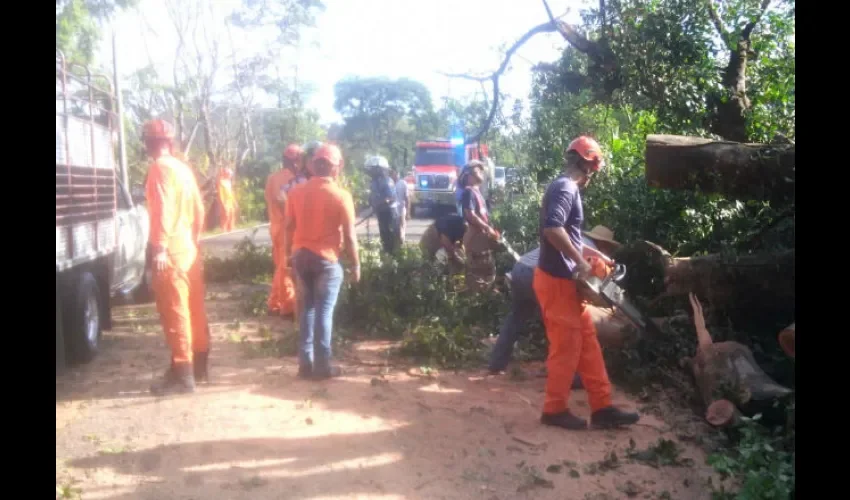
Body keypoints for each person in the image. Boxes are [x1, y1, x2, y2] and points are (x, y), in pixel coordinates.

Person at [535, 136, 639, 430]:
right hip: (555, 281)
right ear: (590, 163)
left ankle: (602, 407)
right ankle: (553, 410)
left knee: (588, 346)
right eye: (594, 166)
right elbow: (552, 229)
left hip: (566, 282)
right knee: (566, 348)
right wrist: (580, 263)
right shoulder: (565, 187)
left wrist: (590, 254)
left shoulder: (566, 188)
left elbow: (569, 235)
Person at [488, 226, 622, 380]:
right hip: (536, 273)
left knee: (517, 317)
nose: (609, 251)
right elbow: (588, 280)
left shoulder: (580, 241)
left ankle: (496, 363)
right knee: (566, 323)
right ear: (603, 244)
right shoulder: (590, 247)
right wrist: (614, 293)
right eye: (608, 248)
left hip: (520, 269)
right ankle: (571, 375)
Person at [143, 119, 211, 395]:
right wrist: (193, 240)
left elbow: (162, 210)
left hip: (170, 253)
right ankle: (200, 367)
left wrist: (159, 247)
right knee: (194, 310)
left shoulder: (159, 169)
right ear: (170, 142)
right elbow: (199, 210)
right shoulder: (183, 169)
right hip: (187, 251)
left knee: (175, 313)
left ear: (148, 143)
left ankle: (183, 375)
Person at [284, 143, 360, 379]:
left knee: (306, 311)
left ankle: (305, 365)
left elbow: (288, 228)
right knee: (324, 312)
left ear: (312, 165)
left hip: (300, 256)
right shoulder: (341, 196)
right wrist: (356, 265)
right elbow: (349, 236)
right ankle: (323, 366)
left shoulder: (296, 192)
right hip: (326, 261)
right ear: (337, 168)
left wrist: (289, 257)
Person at [265, 144, 303, 316]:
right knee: (285, 266)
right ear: (294, 161)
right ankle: (286, 307)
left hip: (277, 227)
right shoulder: (287, 179)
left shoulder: (274, 178)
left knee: (281, 266)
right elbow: (284, 205)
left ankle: (274, 303)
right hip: (285, 229)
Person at [460, 160, 500, 292]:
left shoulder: (477, 193)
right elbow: (470, 214)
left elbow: (483, 216)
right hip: (475, 239)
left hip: (482, 239)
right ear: (469, 176)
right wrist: (487, 228)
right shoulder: (469, 192)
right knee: (477, 273)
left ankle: (485, 297)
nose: (481, 173)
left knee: (488, 270)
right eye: (478, 171)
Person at [366, 155, 399, 254]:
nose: (371, 172)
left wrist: (380, 203)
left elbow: (391, 198)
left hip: (389, 212)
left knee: (390, 234)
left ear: (379, 169)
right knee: (383, 234)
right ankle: (386, 253)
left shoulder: (387, 181)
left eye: (373, 169)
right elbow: (373, 196)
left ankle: (393, 255)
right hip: (381, 211)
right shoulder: (374, 182)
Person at [390, 168, 410, 243]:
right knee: (394, 231)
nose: (395, 176)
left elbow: (407, 198)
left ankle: (402, 245)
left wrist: (408, 212)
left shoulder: (403, 183)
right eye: (393, 174)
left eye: (396, 174)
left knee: (401, 230)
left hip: (401, 210)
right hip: (391, 211)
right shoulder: (389, 184)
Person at [216, 166, 237, 231]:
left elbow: (231, 193)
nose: (230, 176)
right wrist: (223, 204)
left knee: (232, 214)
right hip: (225, 202)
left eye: (230, 174)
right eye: (229, 174)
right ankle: (224, 229)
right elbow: (220, 194)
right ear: (226, 174)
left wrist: (235, 202)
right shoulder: (221, 182)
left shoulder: (229, 182)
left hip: (230, 201)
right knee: (225, 215)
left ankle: (231, 228)